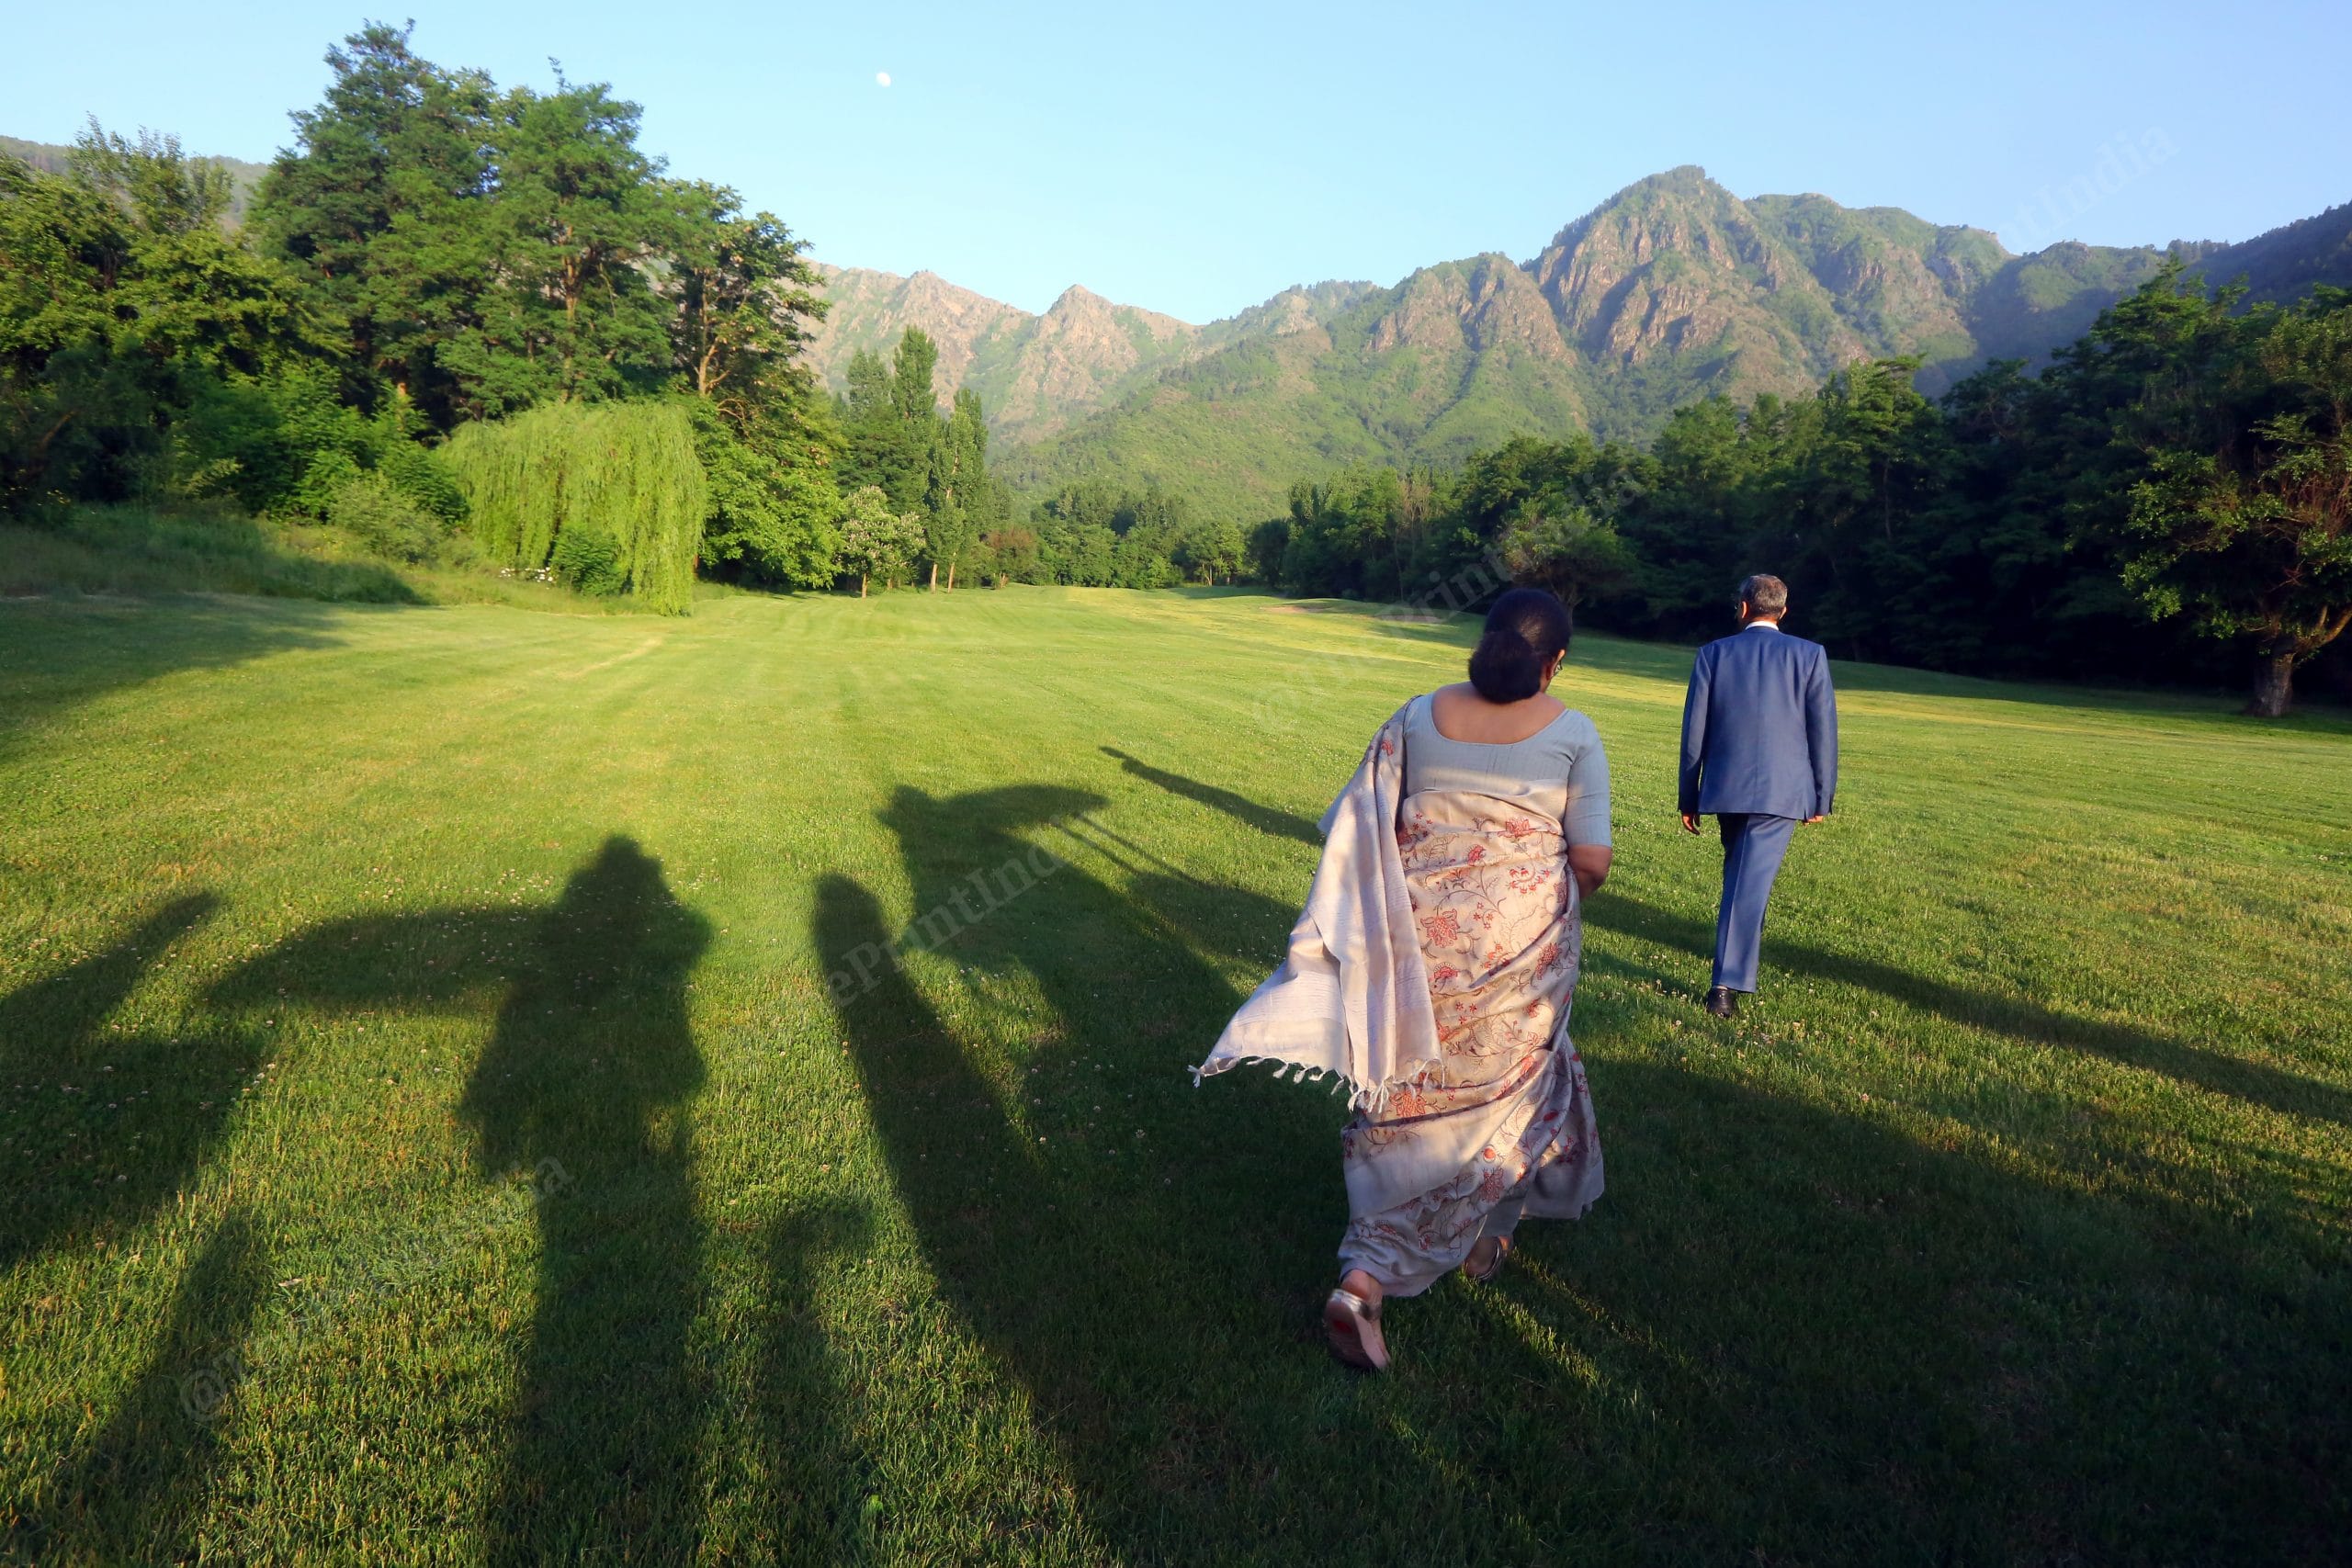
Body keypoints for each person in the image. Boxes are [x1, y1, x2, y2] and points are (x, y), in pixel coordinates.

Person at [1195, 587, 1610, 1371]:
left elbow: (1368, 828)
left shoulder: (1416, 716)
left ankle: (1449, 1248)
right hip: (1521, 960)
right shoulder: (1575, 734)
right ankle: (1387, 1271)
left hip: (1415, 948)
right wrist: (1526, 902)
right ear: (1556, 662)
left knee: (1406, 1093)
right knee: (1510, 1092)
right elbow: (1590, 861)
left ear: (1485, 639)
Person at [1677, 573, 1838, 1019]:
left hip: (1726, 787)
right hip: (1784, 791)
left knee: (1745, 878)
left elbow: (1695, 733)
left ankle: (1734, 965)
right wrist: (1821, 796)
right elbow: (1822, 731)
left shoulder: (1714, 654)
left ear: (1744, 607)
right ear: (1782, 611)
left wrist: (1689, 794)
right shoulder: (1810, 656)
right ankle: (1725, 984)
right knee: (1748, 880)